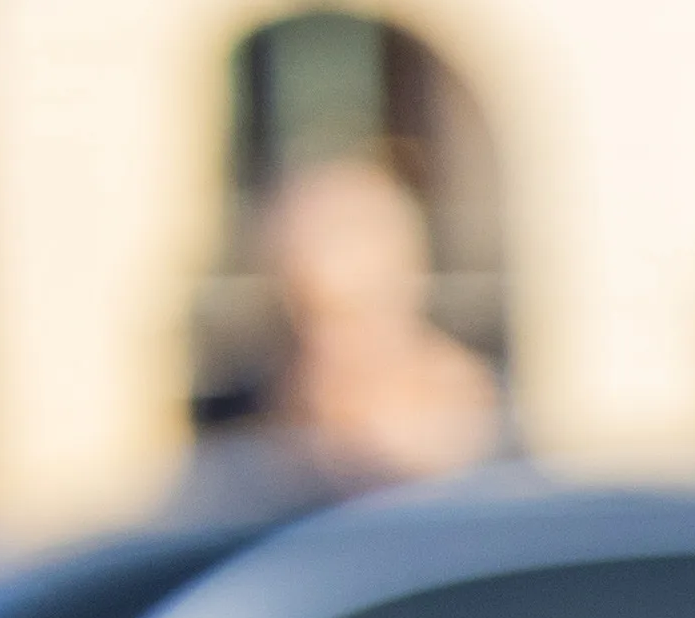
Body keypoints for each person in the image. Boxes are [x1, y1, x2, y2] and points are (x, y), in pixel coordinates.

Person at [163, 158, 508, 522]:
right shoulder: (240, 437)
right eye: (309, 316)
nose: (332, 347)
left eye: (351, 316)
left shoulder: (493, 441)